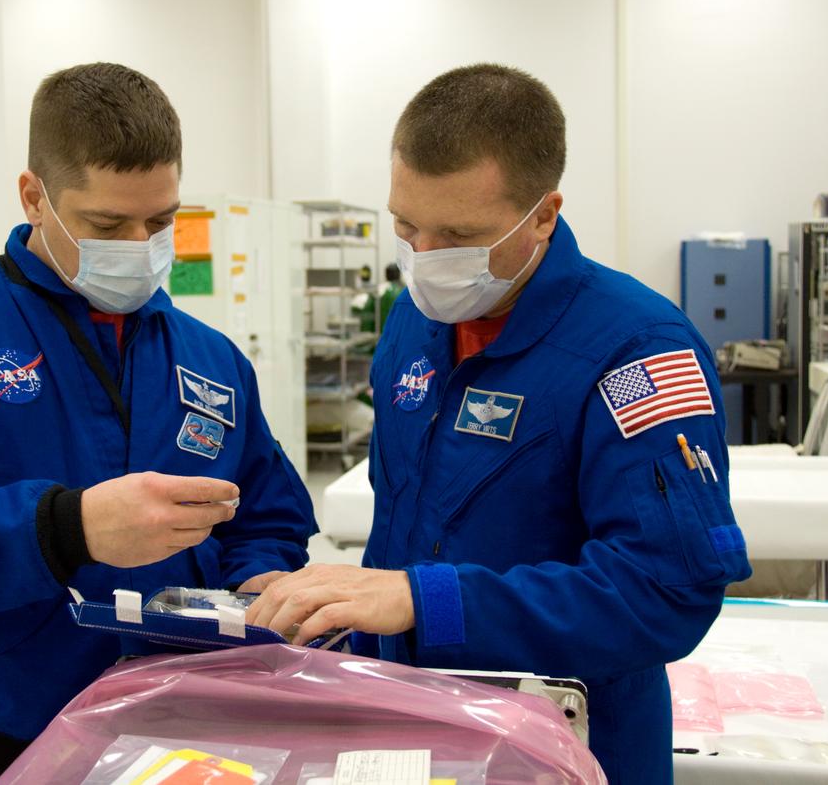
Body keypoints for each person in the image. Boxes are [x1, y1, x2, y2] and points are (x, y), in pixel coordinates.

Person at [0, 63, 317, 785]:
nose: (141, 244)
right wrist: (62, 529)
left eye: (161, 220)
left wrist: (261, 579)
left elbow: (264, 514)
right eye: (109, 224)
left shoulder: (211, 358)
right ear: (33, 197)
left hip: (188, 748)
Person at [247, 64, 750, 783]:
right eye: (407, 227)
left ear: (543, 214)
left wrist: (426, 599)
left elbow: (665, 591)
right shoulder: (412, 324)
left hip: (566, 743)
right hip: (409, 721)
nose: (424, 259)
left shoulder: (635, 351)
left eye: (459, 235)